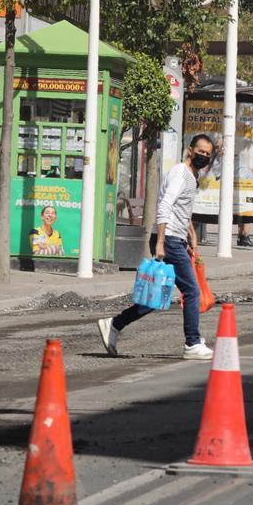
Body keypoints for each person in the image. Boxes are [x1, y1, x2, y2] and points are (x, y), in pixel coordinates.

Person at [96, 134, 216, 361]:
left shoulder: (192, 175)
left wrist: (190, 234)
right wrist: (161, 242)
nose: (204, 156)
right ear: (190, 150)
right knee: (191, 291)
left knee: (156, 296)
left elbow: (182, 209)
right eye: (200, 151)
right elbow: (165, 206)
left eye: (208, 154)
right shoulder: (181, 172)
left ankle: (114, 324)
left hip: (175, 239)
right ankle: (192, 342)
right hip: (168, 239)